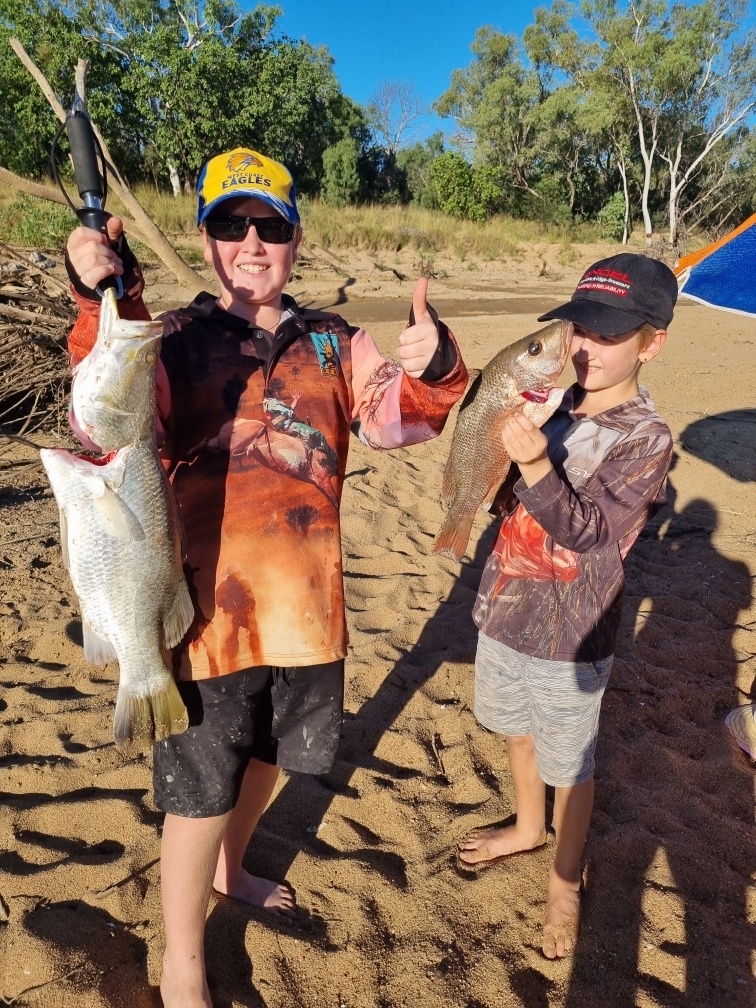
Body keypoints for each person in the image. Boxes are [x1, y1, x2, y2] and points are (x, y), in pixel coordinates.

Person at [64, 147, 468, 1008]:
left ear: (295, 237)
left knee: (268, 762)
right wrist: (99, 289)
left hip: (307, 615)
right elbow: (106, 399)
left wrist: (434, 366)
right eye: (229, 224)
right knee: (198, 792)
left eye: (270, 226)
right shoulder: (168, 339)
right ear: (205, 239)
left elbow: (405, 423)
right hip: (204, 618)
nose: (251, 243)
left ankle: (233, 871)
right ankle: (182, 964)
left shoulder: (336, 341)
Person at [455, 254, 676, 959]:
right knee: (517, 732)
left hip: (573, 634)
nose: (584, 347)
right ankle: (526, 826)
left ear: (652, 342)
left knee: (570, 763)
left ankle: (563, 879)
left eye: (609, 335)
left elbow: (588, 531)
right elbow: (498, 487)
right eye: (580, 328)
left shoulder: (647, 438)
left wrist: (534, 462)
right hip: (507, 606)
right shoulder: (553, 401)